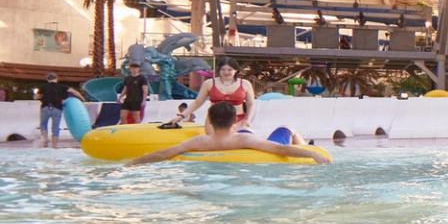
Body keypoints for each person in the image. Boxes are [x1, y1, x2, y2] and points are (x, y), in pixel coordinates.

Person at [126, 101, 327, 165]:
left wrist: (132, 162)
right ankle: (307, 144)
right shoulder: (243, 138)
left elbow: (164, 153)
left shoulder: (200, 142)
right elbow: (281, 149)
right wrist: (312, 153)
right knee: (286, 129)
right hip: (256, 149)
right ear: (235, 120)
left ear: (210, 121)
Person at [184, 58, 254, 129]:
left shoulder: (245, 84)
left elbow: (250, 104)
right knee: (215, 140)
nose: (226, 72)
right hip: (213, 121)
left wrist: (247, 120)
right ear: (219, 70)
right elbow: (197, 102)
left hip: (238, 120)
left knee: (237, 139)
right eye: (223, 69)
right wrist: (182, 115)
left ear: (236, 70)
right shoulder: (209, 83)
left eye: (230, 70)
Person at [35, 71, 86, 148]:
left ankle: (45, 138)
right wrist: (83, 99)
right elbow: (74, 91)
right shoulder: (62, 86)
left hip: (45, 107)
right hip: (57, 108)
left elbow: (36, 97)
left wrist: (41, 95)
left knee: (43, 125)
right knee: (55, 127)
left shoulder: (43, 86)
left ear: (47, 79)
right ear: (56, 79)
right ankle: (54, 146)